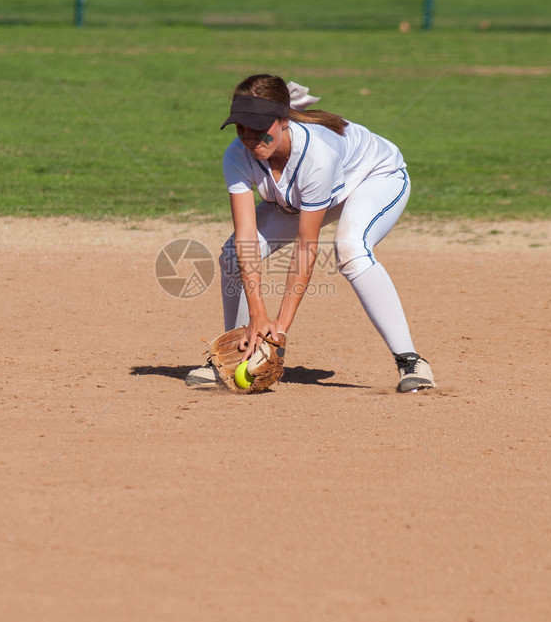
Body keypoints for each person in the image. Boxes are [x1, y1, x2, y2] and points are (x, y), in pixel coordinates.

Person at [185, 74, 435, 393]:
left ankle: (411, 361)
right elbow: (246, 238)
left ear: (283, 121)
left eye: (259, 128)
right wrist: (258, 316)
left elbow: (306, 247)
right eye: (241, 128)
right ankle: (241, 350)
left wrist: (279, 330)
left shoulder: (316, 155)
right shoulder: (236, 156)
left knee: (350, 248)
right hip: (304, 197)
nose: (250, 138)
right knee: (233, 254)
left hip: (376, 178)